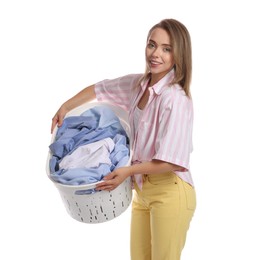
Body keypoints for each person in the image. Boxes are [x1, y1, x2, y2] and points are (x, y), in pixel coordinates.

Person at [51, 18, 196, 260]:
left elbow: (173, 161)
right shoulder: (138, 85)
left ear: (178, 56)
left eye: (166, 49)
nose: (156, 54)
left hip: (170, 191)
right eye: (152, 45)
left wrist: (127, 171)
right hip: (142, 190)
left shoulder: (176, 99)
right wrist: (65, 107)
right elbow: (100, 89)